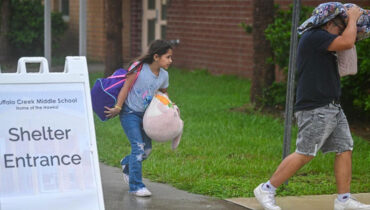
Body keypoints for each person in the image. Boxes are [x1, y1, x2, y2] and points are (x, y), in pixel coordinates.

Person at [253, 6, 370, 210]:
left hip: (332, 105)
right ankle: (267, 189)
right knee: (306, 152)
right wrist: (352, 19)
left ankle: (343, 201)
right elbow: (348, 41)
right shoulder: (315, 36)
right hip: (316, 107)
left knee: (345, 148)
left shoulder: (323, 38)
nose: (342, 31)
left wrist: (351, 24)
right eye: (340, 27)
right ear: (329, 23)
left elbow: (347, 49)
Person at [104, 39, 173, 197]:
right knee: (139, 147)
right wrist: (118, 107)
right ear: (156, 57)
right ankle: (136, 186)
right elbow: (125, 87)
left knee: (147, 150)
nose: (171, 60)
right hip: (129, 113)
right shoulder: (139, 68)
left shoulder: (164, 75)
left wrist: (168, 106)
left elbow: (163, 92)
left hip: (146, 116)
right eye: (168, 57)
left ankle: (127, 163)